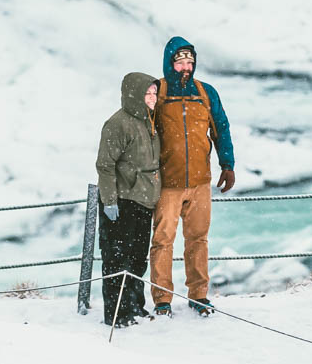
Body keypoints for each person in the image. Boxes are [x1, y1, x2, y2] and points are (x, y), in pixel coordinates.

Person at [150, 36, 235, 317]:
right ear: (169, 63)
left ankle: (199, 296)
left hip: (200, 182)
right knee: (163, 241)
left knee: (198, 240)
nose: (186, 67)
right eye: (180, 62)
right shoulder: (157, 92)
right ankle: (162, 299)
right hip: (167, 183)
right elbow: (142, 135)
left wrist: (228, 164)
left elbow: (220, 129)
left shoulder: (206, 92)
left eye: (190, 62)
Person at [95, 72, 162, 326]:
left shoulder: (148, 120)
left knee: (136, 258)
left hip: (143, 200)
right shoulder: (117, 123)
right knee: (116, 261)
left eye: (154, 93)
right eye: (147, 93)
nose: (152, 98)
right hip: (122, 201)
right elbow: (105, 165)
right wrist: (109, 200)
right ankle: (116, 314)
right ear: (134, 94)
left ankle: (135, 307)